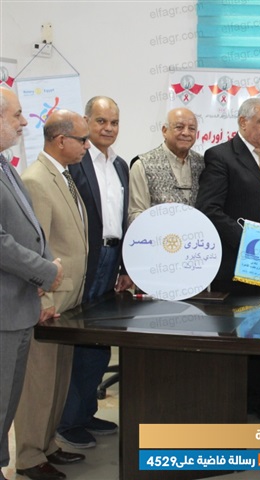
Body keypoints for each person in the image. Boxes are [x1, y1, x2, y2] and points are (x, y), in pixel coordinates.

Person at [196, 97, 260, 422]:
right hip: (237, 262)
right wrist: (249, 240)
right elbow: (209, 209)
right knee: (237, 330)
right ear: (242, 122)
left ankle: (257, 398)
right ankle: (231, 396)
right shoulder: (221, 156)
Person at [15, 110, 90, 480]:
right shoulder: (36, 180)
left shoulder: (63, 175)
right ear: (61, 140)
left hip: (69, 296)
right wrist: (42, 300)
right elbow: (35, 248)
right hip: (50, 299)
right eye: (82, 139)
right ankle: (29, 456)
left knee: (59, 378)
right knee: (39, 382)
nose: (87, 146)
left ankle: (48, 444)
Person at [58, 96, 130, 449]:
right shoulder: (74, 162)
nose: (108, 128)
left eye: (114, 122)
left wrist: (125, 266)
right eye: (101, 121)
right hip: (84, 260)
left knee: (99, 340)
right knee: (76, 340)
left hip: (111, 259)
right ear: (87, 122)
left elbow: (122, 220)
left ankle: (86, 412)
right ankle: (67, 421)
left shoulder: (120, 165)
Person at [0, 88, 63, 480]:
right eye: (17, 114)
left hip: (19, 305)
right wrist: (44, 270)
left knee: (7, 404)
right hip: (4, 310)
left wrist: (42, 269)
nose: (25, 122)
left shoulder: (6, 165)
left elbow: (30, 228)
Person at [128, 107, 204, 223]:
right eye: (179, 127)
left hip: (198, 234)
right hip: (157, 234)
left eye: (192, 129)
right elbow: (135, 215)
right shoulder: (142, 165)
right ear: (164, 131)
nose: (186, 133)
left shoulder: (203, 164)